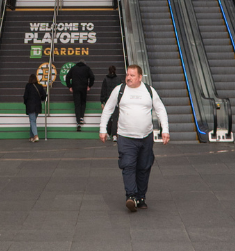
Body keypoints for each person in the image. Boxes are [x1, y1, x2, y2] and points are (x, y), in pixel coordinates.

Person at [99, 65, 170, 212]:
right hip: (125, 137)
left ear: (139, 77)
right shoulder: (119, 90)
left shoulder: (149, 91)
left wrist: (165, 130)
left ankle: (141, 197)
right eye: (127, 75)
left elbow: (160, 109)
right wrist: (102, 129)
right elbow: (108, 109)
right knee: (128, 165)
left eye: (132, 75)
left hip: (146, 137)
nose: (128, 78)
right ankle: (131, 196)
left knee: (144, 167)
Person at [65, 60, 94, 131]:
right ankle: (81, 117)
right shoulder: (87, 68)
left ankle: (78, 121)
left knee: (77, 104)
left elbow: (67, 77)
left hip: (75, 88)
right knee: (83, 103)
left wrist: (70, 86)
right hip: (84, 88)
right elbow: (92, 77)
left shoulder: (73, 68)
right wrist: (89, 85)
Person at [23, 73, 47, 142]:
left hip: (30, 106)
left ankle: (36, 136)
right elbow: (44, 95)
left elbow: (25, 96)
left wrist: (26, 103)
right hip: (37, 106)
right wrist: (41, 99)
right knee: (33, 120)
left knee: (32, 121)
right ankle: (31, 136)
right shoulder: (39, 86)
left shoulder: (28, 86)